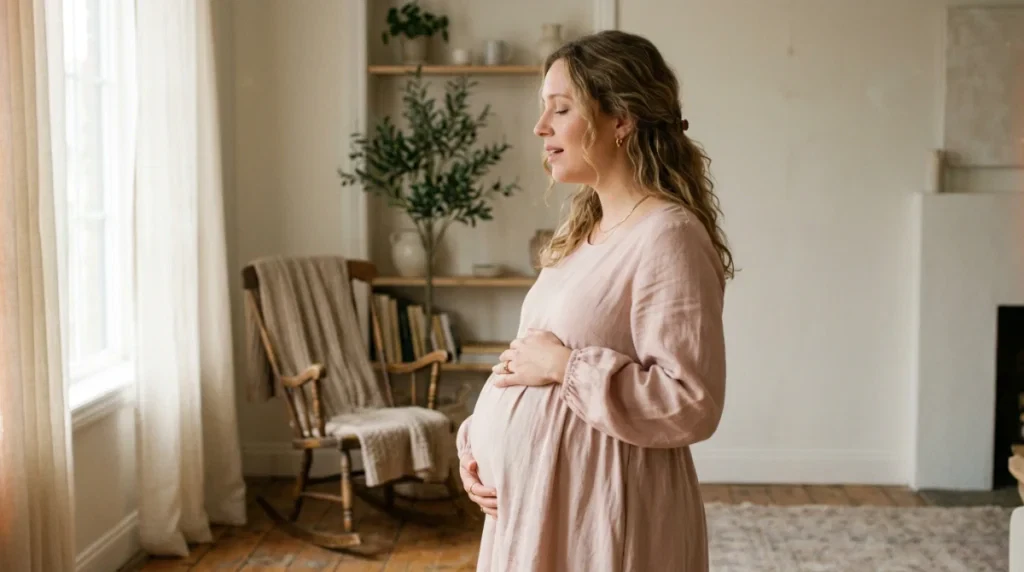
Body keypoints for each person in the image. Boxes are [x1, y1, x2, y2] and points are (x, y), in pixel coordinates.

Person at [455, 29, 733, 572]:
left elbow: (691, 402)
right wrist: (477, 448)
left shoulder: (668, 236)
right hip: (535, 510)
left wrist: (566, 367)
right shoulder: (581, 235)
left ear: (620, 119)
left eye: (561, 109)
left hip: (604, 514)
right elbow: (525, 359)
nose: (541, 127)